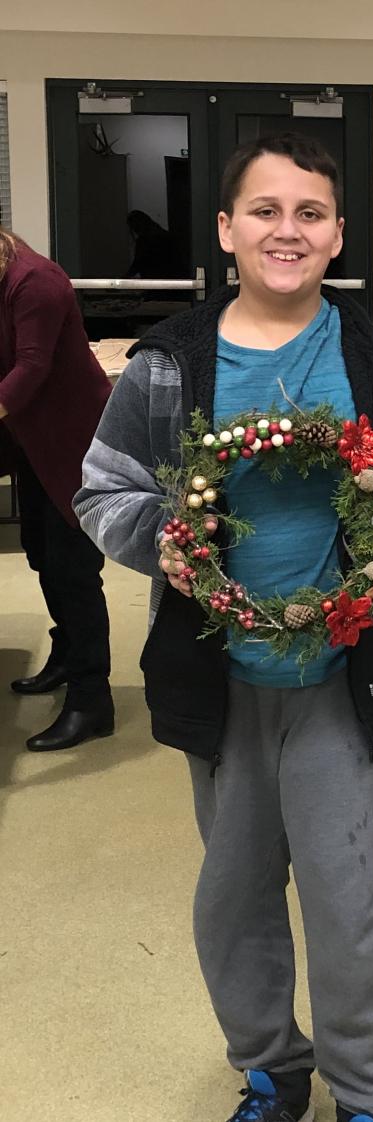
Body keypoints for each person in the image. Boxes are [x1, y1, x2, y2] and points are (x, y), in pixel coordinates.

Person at [75, 133, 373, 1122]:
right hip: (218, 674)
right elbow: (102, 487)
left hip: (344, 671)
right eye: (266, 211)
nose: (288, 231)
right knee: (233, 898)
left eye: (311, 213)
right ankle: (269, 1069)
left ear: (337, 235)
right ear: (226, 230)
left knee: (351, 901)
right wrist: (163, 537)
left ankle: (371, 1093)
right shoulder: (169, 366)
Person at [0, 223, 114, 751]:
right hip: (30, 438)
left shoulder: (36, 282)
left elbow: (30, 369)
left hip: (72, 441)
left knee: (73, 569)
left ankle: (92, 700)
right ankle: (67, 655)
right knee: (41, 554)